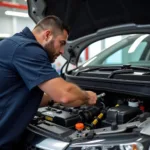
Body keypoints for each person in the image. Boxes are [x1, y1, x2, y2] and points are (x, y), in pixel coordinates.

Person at [0, 15, 97, 149]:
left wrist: (52, 100)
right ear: (47, 35)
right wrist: (87, 97)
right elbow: (65, 95)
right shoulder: (28, 49)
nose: (63, 51)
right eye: (62, 43)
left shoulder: (14, 44)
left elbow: (18, 96)